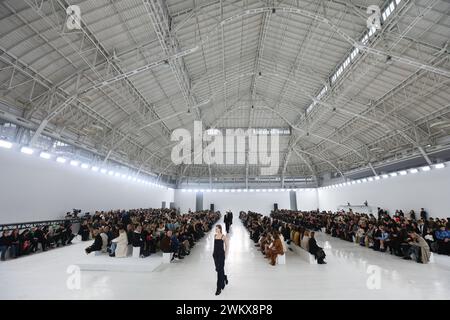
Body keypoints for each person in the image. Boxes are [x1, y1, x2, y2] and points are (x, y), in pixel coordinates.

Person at [213, 225, 228, 296]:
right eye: (215, 229)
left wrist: (225, 255)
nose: (216, 230)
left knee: (219, 271)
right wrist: (213, 254)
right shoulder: (215, 236)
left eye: (217, 229)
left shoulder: (223, 236)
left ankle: (218, 288)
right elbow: (214, 246)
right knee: (218, 269)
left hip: (221, 255)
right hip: (215, 255)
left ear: (220, 229)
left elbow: (227, 246)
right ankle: (224, 277)